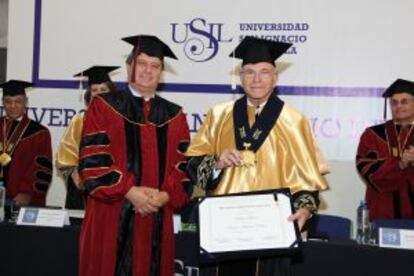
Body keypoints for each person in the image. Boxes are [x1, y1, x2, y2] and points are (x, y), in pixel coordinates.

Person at [186, 37, 329, 276]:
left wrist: (304, 210)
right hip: (224, 229)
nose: (256, 79)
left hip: (271, 228)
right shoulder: (218, 115)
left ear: (275, 78)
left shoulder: (294, 121)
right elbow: (191, 165)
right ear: (240, 77)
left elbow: (307, 179)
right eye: (249, 72)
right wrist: (217, 163)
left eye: (264, 72)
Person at [78, 35, 192, 276]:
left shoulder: (175, 115)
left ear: (161, 72)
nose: (148, 71)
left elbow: (183, 167)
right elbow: (93, 163)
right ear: (130, 67)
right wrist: (130, 192)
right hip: (112, 212)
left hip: (157, 216)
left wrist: (164, 196)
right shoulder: (102, 106)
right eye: (142, 63)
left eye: (155, 65)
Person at [56, 65, 119, 210]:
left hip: (114, 186)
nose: (98, 94)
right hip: (83, 187)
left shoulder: (120, 121)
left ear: (112, 93)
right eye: (94, 90)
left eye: (103, 90)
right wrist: (75, 173)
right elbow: (66, 153)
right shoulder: (80, 120)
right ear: (88, 95)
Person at [356, 78, 414, 220]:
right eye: (394, 103)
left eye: (404, 101)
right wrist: (400, 164)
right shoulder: (372, 135)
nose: (398, 106)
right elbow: (366, 169)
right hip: (383, 212)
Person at [0, 80, 52, 207]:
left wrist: (27, 192)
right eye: (8, 101)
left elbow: (42, 168)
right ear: (3, 103)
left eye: (18, 101)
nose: (13, 106)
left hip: (24, 200)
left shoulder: (39, 132)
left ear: (26, 102)